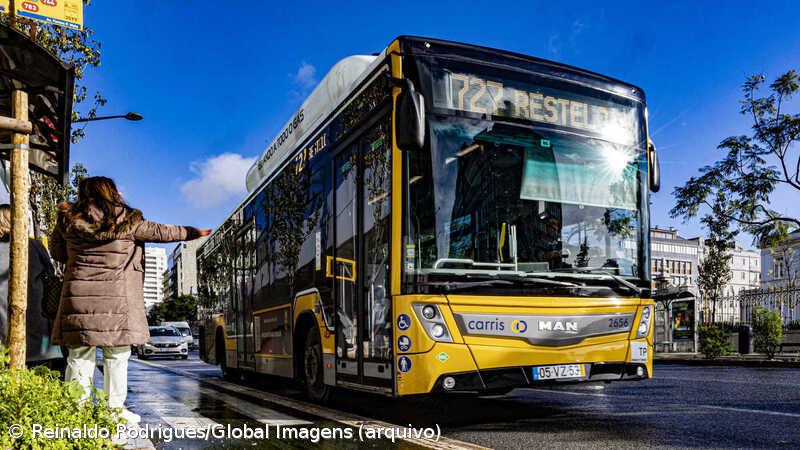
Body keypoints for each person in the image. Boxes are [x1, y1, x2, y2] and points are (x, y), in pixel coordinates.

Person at [49, 177, 210, 424]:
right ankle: (113, 412)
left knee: (79, 356)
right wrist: (195, 232)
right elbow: (164, 232)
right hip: (116, 301)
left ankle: (75, 413)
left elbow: (58, 253)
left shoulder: (67, 221)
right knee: (116, 355)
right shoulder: (128, 220)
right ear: (112, 192)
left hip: (77, 298)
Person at [0, 204, 63, 369]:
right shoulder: (34, 245)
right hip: (37, 321)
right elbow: (50, 272)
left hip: (5, 324)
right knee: (43, 371)